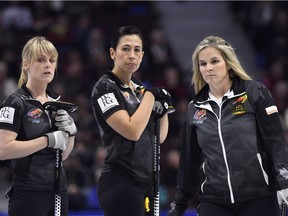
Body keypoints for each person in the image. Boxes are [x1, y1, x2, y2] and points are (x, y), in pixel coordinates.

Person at [167, 35, 288, 216]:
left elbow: (274, 141)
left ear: (228, 63)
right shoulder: (195, 107)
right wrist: (179, 205)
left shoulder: (254, 92)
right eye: (203, 63)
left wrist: (284, 182)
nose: (208, 68)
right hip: (214, 200)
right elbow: (189, 161)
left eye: (214, 61)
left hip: (259, 196)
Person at [91, 26, 173, 216]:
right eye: (125, 49)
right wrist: (152, 97)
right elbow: (132, 131)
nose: (131, 55)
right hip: (121, 180)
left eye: (137, 50)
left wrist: (164, 110)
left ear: (143, 55)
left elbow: (159, 137)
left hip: (147, 180)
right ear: (113, 53)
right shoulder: (104, 87)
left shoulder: (139, 89)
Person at [0, 36, 77, 216]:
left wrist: (71, 133)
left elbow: (63, 155)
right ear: (26, 64)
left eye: (52, 60)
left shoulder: (57, 101)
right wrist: (47, 140)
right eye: (41, 60)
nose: (48, 65)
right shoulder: (15, 102)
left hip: (59, 189)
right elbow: (3, 150)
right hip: (29, 191)